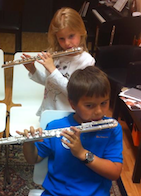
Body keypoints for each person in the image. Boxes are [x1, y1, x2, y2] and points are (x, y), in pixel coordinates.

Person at [18, 66, 123, 196]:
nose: (99, 111)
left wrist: (82, 154)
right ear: (73, 104)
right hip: (55, 193)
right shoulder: (56, 126)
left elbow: (114, 173)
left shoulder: (112, 129)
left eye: (104, 103)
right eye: (89, 105)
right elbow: (33, 158)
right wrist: (28, 143)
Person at [22, 7, 95, 116]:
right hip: (48, 111)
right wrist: (33, 70)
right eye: (61, 38)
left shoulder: (86, 62)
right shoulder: (56, 55)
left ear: (81, 32)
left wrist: (52, 69)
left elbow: (75, 93)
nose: (67, 43)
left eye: (71, 36)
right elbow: (50, 83)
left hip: (67, 117)